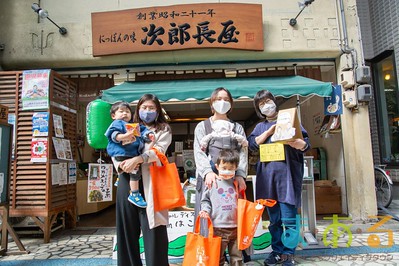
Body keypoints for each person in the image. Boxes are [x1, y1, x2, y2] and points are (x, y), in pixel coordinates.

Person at [247, 90, 310, 266]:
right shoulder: (260, 127)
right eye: (261, 104)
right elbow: (252, 144)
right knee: (274, 221)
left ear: (274, 101)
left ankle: (288, 253)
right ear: (259, 109)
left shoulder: (289, 119)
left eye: (268, 101)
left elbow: (306, 144)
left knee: (289, 219)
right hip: (268, 181)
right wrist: (269, 132)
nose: (266, 105)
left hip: (288, 179)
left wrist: (297, 143)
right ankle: (276, 251)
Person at [116, 94, 172, 266]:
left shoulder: (163, 129)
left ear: (158, 110)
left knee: (154, 230)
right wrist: (121, 165)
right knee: (127, 231)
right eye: (144, 108)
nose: (147, 111)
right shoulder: (127, 127)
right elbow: (113, 147)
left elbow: (159, 151)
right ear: (138, 109)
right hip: (127, 180)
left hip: (152, 183)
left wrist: (138, 159)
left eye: (151, 108)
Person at [193, 87, 248, 235]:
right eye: (218, 99)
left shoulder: (237, 128)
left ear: (231, 104)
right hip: (210, 180)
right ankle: (211, 255)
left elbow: (243, 152)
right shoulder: (202, 126)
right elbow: (199, 152)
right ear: (212, 103)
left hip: (233, 180)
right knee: (208, 214)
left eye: (226, 99)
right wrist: (207, 172)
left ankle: (237, 255)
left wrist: (241, 174)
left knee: (235, 217)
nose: (222, 102)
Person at [104, 101, 154, 208]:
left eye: (127, 111)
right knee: (135, 173)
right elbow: (114, 135)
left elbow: (143, 131)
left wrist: (148, 135)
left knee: (129, 168)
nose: (125, 114)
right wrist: (125, 136)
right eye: (121, 111)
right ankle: (134, 194)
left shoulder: (132, 125)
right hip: (123, 153)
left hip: (129, 153)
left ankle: (120, 174)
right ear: (113, 116)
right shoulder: (117, 123)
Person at [199, 149, 243, 266]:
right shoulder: (212, 182)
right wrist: (205, 210)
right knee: (217, 257)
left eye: (230, 168)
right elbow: (205, 200)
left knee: (237, 258)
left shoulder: (237, 183)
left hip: (236, 228)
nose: (227, 171)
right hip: (218, 228)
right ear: (217, 166)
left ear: (236, 168)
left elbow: (243, 202)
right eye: (224, 168)